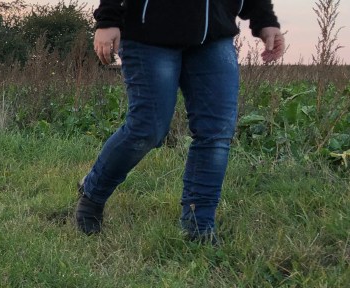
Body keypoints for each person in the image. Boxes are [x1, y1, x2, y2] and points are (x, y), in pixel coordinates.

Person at [76, 0, 285, 244]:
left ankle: (199, 226)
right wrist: (108, 19)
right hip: (148, 31)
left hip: (214, 32)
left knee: (216, 133)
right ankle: (93, 193)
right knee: (147, 129)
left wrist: (265, 19)